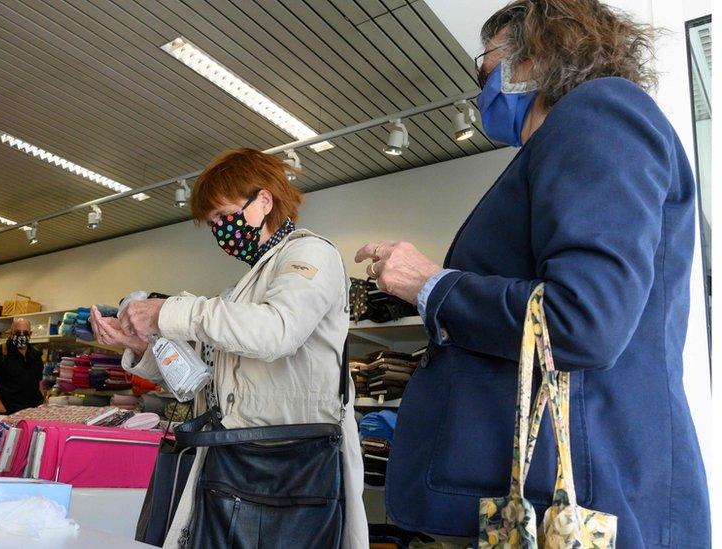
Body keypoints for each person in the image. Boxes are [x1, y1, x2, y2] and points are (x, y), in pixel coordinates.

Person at [355, 1, 710, 546]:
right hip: (560, 497)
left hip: (576, 503)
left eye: (487, 63)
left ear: (535, 56)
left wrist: (431, 284)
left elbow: (583, 320)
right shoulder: (570, 138)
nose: (481, 82)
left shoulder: (601, 113)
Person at [90, 148, 369, 548]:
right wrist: (143, 343)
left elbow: (278, 331)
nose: (220, 229)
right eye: (213, 223)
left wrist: (170, 311)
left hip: (289, 466)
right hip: (237, 461)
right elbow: (202, 379)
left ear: (264, 201)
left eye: (223, 216)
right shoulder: (243, 290)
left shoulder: (312, 253)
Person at [0, 318, 46, 415]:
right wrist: (2, 412)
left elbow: (39, 383)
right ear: (11, 333)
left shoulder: (36, 355)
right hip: (7, 414)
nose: (22, 336)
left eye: (25, 333)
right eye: (18, 332)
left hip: (32, 414)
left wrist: (43, 405)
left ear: (30, 334)